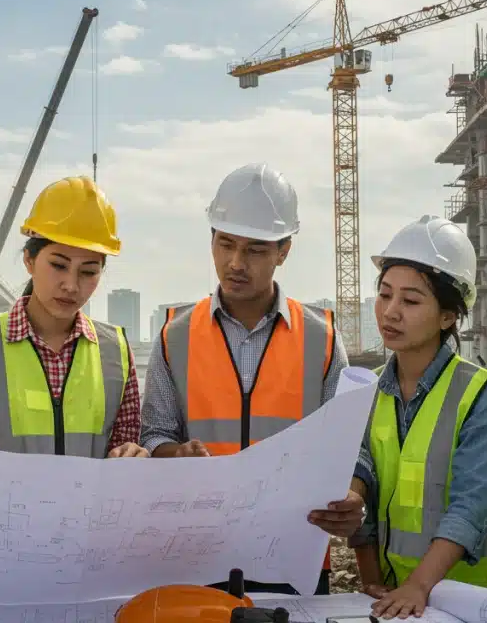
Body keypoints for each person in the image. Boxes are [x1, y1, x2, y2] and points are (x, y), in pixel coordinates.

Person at [140, 162, 366, 595]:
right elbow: (154, 433)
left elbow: (351, 446)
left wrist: (355, 496)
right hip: (195, 557)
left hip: (292, 557)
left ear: (284, 251)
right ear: (211, 240)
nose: (235, 263)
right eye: (226, 244)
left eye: (256, 250)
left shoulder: (321, 340)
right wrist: (174, 454)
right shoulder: (175, 337)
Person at [349, 215, 487, 619]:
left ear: (448, 316)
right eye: (385, 295)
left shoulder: (479, 393)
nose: (391, 312)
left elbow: (471, 507)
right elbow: (363, 493)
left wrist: (419, 584)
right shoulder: (367, 393)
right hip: (391, 600)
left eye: (411, 300)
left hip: (458, 601)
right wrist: (372, 582)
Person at [0, 176, 145, 458]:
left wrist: (131, 454)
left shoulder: (117, 350)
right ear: (29, 260)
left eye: (88, 272)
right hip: (6, 502)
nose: (71, 285)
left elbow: (126, 440)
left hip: (92, 503)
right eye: (58, 265)